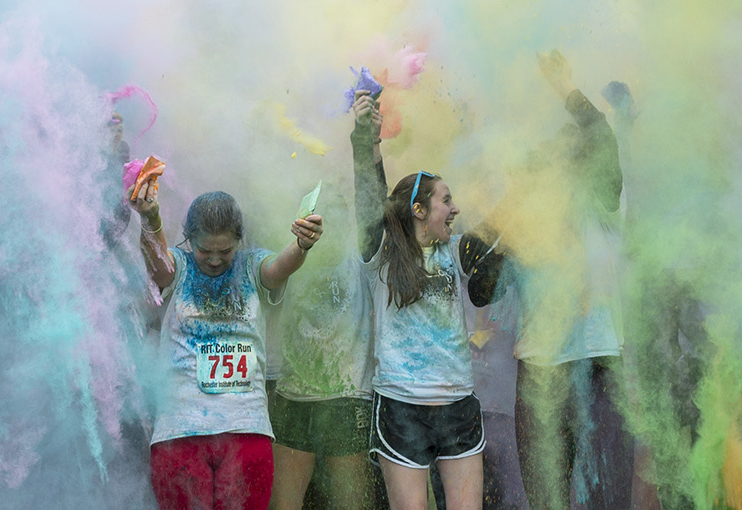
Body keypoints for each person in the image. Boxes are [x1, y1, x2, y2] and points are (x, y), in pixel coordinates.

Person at [348, 90, 507, 510]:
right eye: (446, 201)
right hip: (402, 408)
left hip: (458, 406)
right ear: (418, 209)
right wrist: (367, 142)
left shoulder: (453, 251)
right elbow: (370, 197)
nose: (455, 210)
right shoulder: (381, 254)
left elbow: (498, 240)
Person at [130, 174, 324, 508]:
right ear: (189, 241)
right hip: (181, 431)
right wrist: (151, 218)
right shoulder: (179, 266)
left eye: (225, 251)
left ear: (239, 241)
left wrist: (301, 245)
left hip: (246, 428)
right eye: (205, 250)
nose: (216, 259)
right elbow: (158, 265)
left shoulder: (251, 265)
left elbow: (280, 267)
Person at [513, 50, 639, 510]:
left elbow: (601, 136)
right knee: (546, 496)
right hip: (538, 366)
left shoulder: (604, 207)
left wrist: (564, 87)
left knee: (606, 493)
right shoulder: (528, 218)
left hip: (597, 357)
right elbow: (480, 284)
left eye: (569, 156)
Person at [262, 186, 379, 509]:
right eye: (321, 209)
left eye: (340, 209)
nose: (330, 219)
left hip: (349, 397)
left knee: (351, 501)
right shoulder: (288, 260)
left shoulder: (363, 260)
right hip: (292, 397)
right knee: (284, 503)